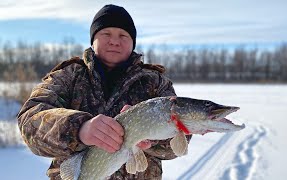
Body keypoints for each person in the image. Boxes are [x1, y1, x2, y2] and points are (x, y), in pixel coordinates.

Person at [17, 4, 191, 180]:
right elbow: (29, 121)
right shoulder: (68, 76)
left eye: (123, 35)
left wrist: (149, 138)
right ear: (93, 40)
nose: (114, 41)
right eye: (106, 34)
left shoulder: (155, 82)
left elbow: (177, 145)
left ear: (133, 42)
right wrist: (79, 129)